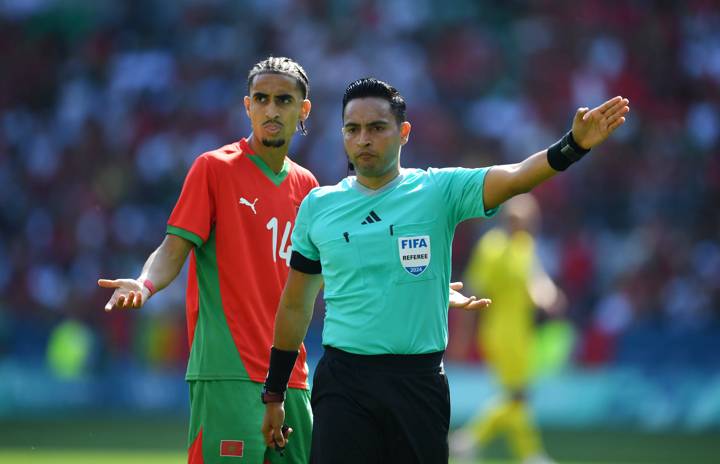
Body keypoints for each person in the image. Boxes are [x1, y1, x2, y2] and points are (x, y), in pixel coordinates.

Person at [261, 77, 629, 463]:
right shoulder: (318, 206)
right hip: (343, 381)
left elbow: (518, 175)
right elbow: (295, 304)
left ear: (403, 133)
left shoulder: (439, 191)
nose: (363, 139)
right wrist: (274, 391)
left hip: (418, 383)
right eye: (353, 129)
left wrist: (572, 146)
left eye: (376, 127)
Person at [97, 56, 319, 464]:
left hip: (293, 379)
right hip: (227, 373)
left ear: (303, 110)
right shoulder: (213, 169)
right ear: (247, 106)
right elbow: (172, 249)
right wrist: (145, 284)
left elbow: (332, 271)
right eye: (262, 99)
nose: (272, 110)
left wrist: (414, 286)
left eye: (284, 100)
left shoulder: (309, 187)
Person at [449, 193, 566, 464]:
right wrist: (461, 337)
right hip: (500, 332)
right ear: (507, 219)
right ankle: (529, 455)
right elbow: (473, 291)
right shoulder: (492, 248)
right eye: (517, 219)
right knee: (518, 395)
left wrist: (551, 298)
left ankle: (471, 440)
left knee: (515, 397)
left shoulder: (523, 246)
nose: (523, 225)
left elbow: (536, 281)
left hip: (522, 332)